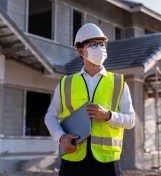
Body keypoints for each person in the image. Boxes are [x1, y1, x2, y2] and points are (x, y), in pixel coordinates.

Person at [44, 23, 135, 176]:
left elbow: (131, 120)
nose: (100, 48)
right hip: (73, 157)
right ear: (81, 51)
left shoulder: (119, 83)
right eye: (94, 45)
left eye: (102, 44)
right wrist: (60, 137)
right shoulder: (66, 83)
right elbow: (50, 116)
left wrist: (108, 116)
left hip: (107, 162)